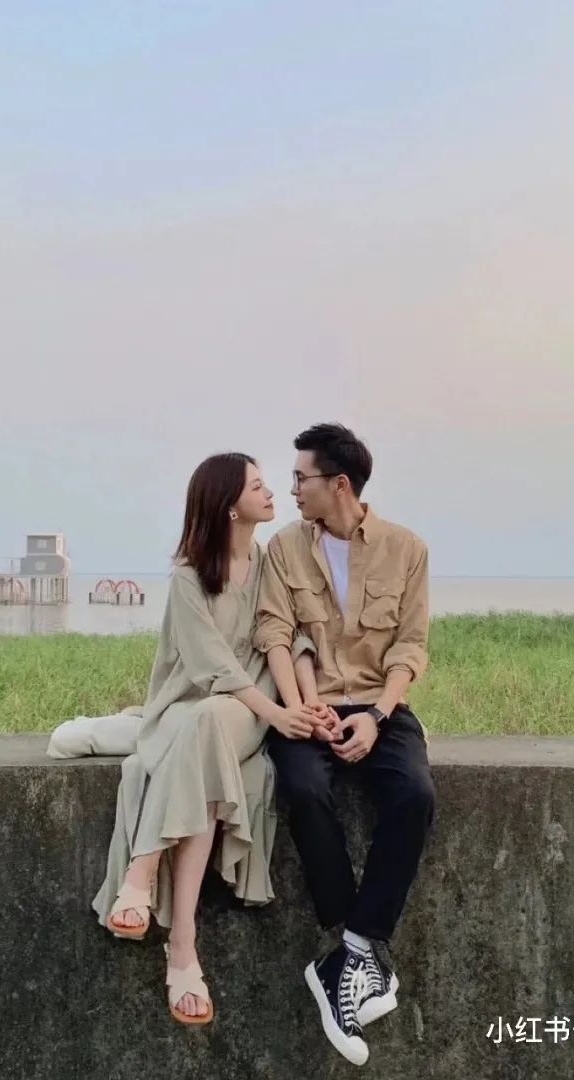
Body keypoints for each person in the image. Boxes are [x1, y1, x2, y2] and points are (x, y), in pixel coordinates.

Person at [91, 452, 328, 1025]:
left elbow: (292, 636)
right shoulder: (189, 575)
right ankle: (183, 946)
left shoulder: (271, 562)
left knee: (211, 728)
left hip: (246, 710)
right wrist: (276, 714)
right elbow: (209, 665)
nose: (271, 493)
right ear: (229, 507)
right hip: (190, 705)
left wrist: (300, 704)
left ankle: (141, 873)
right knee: (205, 740)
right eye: (257, 486)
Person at [254, 422, 435, 1066]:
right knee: (302, 787)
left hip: (381, 707)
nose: (291, 489)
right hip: (309, 703)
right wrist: (301, 709)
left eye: (300, 478)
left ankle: (352, 951)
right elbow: (275, 631)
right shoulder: (283, 548)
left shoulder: (406, 548)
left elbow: (411, 646)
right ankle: (353, 941)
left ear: (338, 484)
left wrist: (377, 716)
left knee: (414, 795)